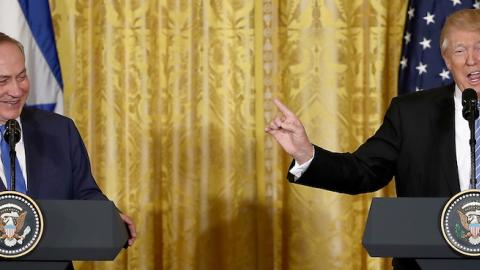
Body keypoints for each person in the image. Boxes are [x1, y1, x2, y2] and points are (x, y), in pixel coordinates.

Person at [266, 8, 480, 270]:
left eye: (479, 47)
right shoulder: (411, 114)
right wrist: (306, 153)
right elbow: (363, 171)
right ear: (447, 60)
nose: (472, 60)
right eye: (460, 51)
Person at [0, 32, 136, 247]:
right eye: (3, 80)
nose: (16, 90)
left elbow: (85, 193)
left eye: (22, 76)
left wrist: (107, 217)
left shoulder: (59, 130)